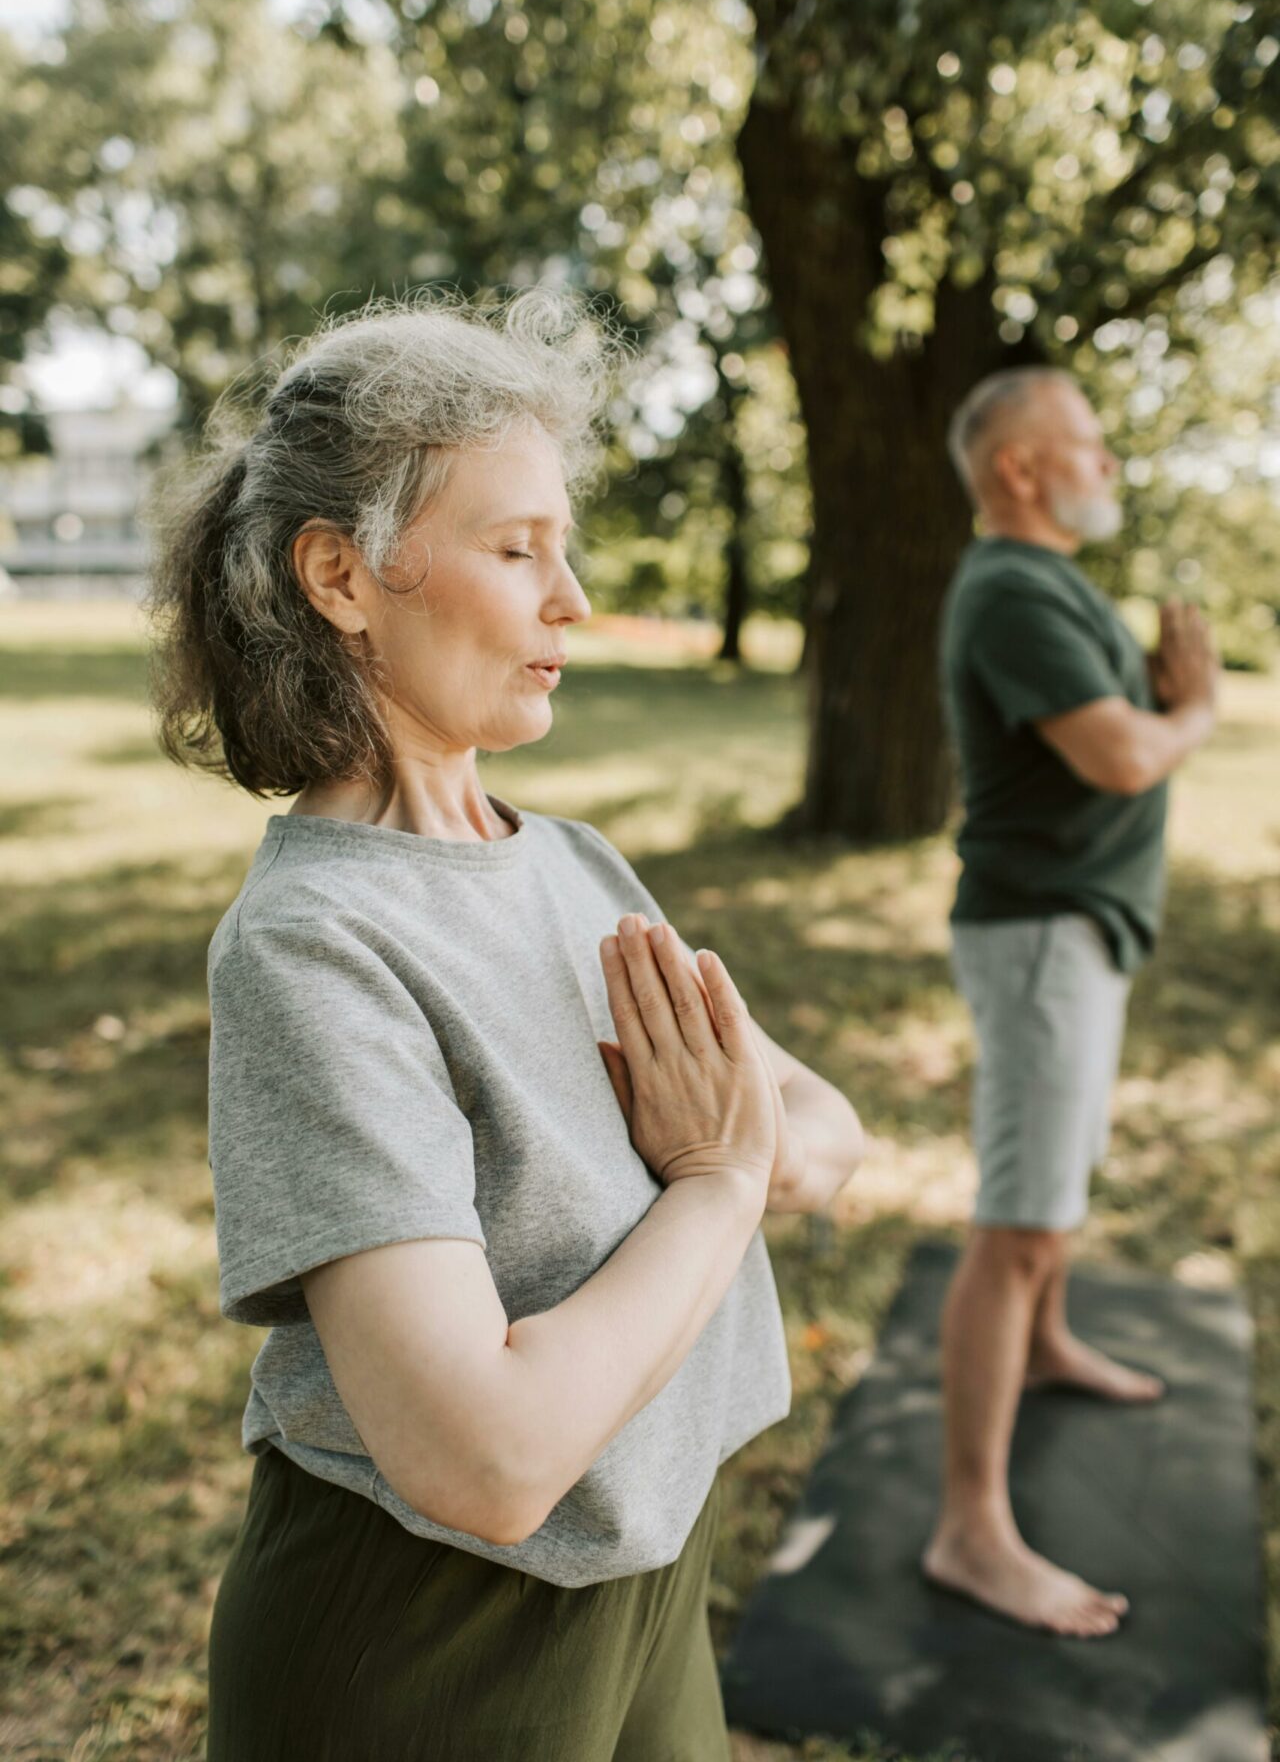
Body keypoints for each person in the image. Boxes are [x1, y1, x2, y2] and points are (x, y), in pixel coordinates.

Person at [147, 289, 865, 1761]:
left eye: (565, 546)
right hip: (422, 1643)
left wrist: (748, 1156)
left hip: (655, 1576)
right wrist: (720, 1182)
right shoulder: (314, 947)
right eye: (517, 548)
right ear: (343, 575)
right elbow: (487, 1455)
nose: (574, 600)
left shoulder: (573, 862)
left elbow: (826, 1130)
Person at [925, 367, 1218, 1637]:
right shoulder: (1004, 587)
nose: (1106, 463)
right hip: (1040, 935)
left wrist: (1156, 688)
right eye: (1085, 446)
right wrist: (1193, 706)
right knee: (1019, 1228)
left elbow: (1111, 726)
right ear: (1018, 470)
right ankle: (969, 1528)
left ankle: (1045, 1348)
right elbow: (1118, 753)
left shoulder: (1043, 583)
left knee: (1049, 1202)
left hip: (1072, 928)